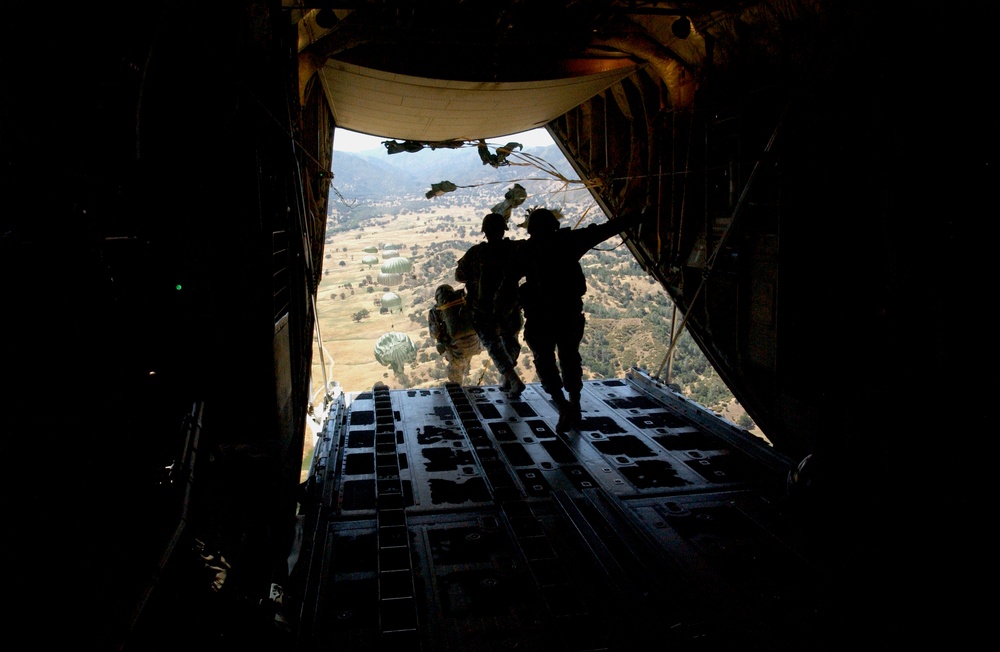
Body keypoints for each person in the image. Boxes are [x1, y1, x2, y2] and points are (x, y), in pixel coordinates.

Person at [502, 206, 648, 433]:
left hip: (540, 317)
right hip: (567, 313)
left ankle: (563, 407)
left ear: (531, 229)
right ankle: (574, 405)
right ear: (554, 225)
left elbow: (508, 281)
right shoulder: (568, 241)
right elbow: (605, 230)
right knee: (569, 358)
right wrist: (637, 215)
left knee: (545, 363)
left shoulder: (527, 250)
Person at [455, 213, 526, 398]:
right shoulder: (515, 249)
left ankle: (513, 380)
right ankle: (508, 379)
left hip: (483, 310)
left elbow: (459, 275)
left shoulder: (476, 253)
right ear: (503, 230)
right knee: (510, 341)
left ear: (485, 232)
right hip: (510, 307)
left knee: (494, 346)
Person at [428, 284, 483, 384]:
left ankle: (457, 387)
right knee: (462, 363)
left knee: (454, 374)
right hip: (475, 344)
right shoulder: (464, 301)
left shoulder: (435, 311)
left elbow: (435, 333)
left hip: (456, 349)